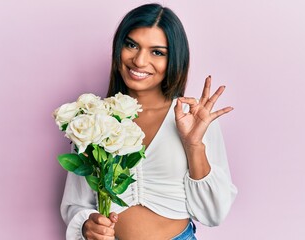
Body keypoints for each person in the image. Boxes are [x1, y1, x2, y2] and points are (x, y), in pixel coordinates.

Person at [61, 3, 237, 240]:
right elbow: (76, 204)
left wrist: (194, 145)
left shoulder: (195, 119)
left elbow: (213, 214)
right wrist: (86, 226)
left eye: (157, 52)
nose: (140, 61)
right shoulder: (93, 120)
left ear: (174, 58)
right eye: (131, 45)